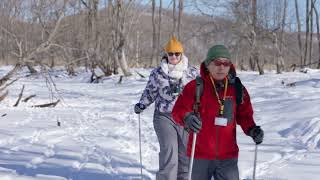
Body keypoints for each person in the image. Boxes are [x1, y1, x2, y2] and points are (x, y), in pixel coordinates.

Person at [171, 45, 264, 180]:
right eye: (217, 62)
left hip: (228, 156)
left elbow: (244, 115)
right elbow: (178, 110)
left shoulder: (237, 88)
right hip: (200, 154)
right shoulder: (195, 87)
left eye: (226, 63)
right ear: (208, 65)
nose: (222, 67)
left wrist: (252, 129)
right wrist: (187, 117)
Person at [134, 37, 198, 180]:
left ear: (181, 54)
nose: (174, 56)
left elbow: (200, 95)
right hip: (164, 117)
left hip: (186, 119)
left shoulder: (192, 72)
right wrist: (142, 104)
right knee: (170, 156)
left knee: (185, 158)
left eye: (177, 53)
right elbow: (150, 92)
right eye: (170, 54)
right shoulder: (158, 73)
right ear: (166, 55)